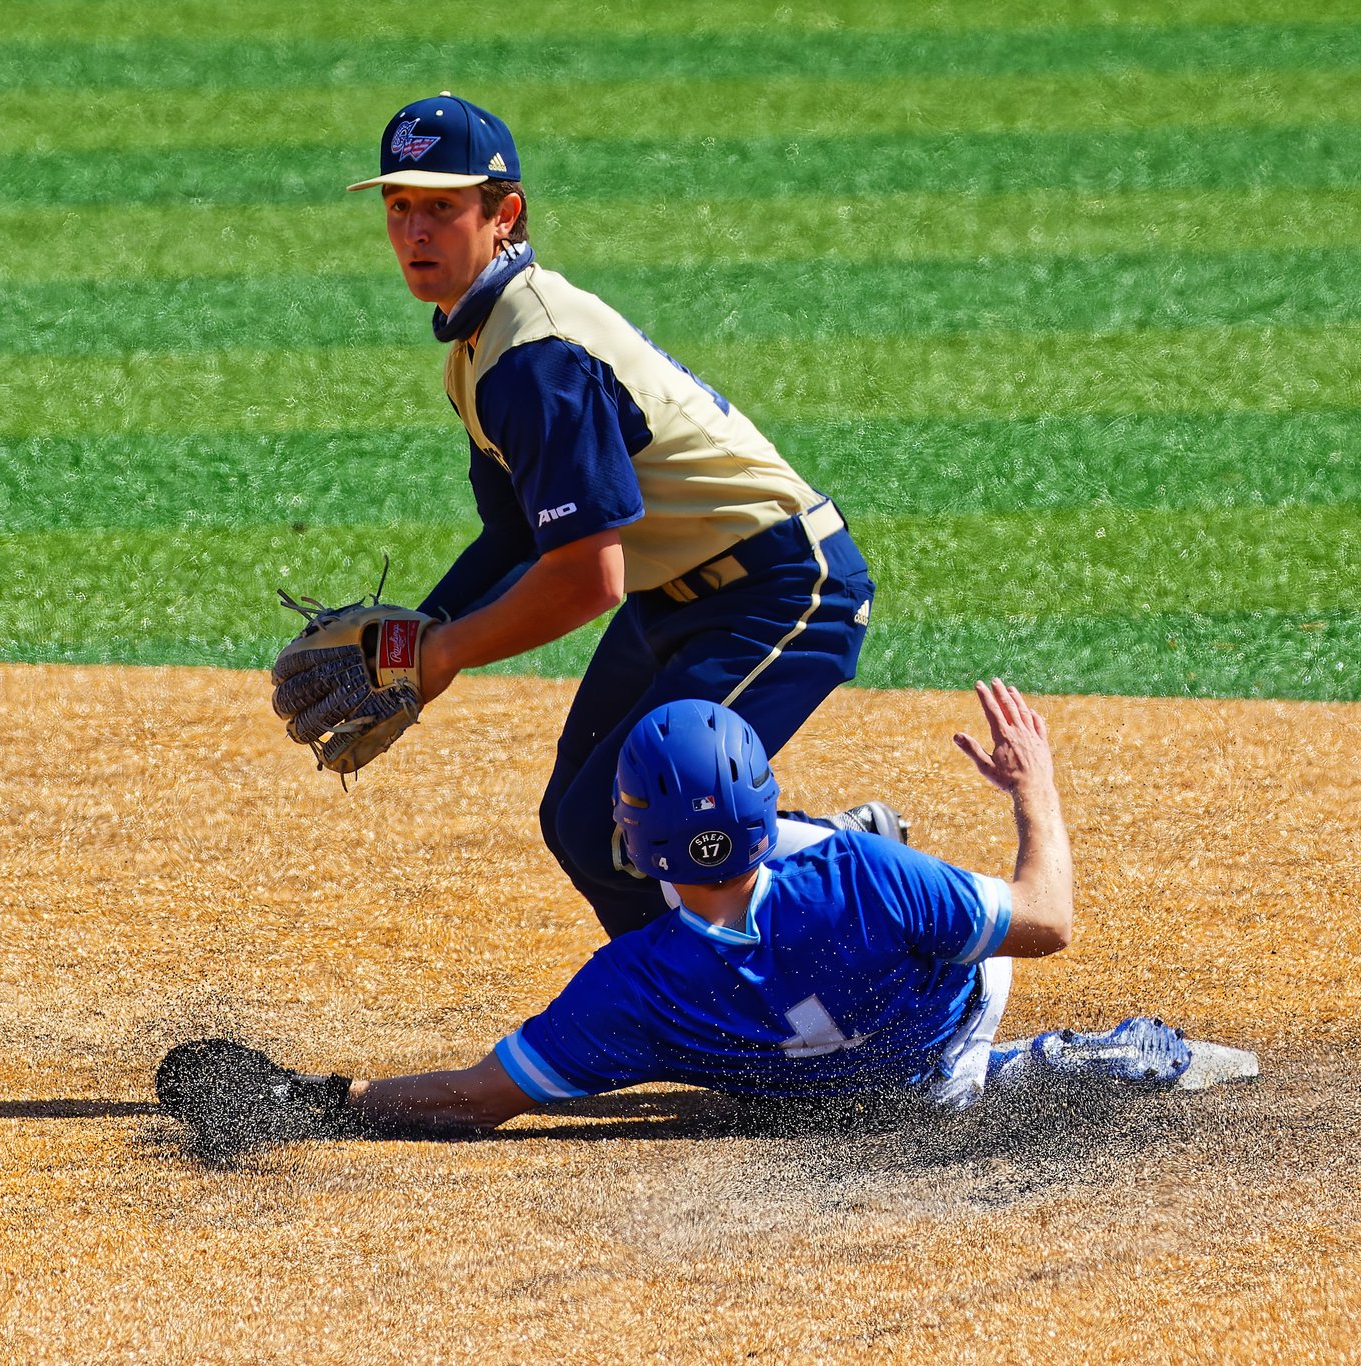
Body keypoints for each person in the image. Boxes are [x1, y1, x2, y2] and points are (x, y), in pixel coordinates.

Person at [156, 682, 1257, 1150]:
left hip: (818, 1096)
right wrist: (1033, 790)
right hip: (941, 1024)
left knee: (876, 1066)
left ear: (634, 843)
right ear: (765, 811)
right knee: (912, 934)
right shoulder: (870, 877)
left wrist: (310, 1102)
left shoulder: (630, 988)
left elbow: (475, 1099)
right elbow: (1048, 920)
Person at [347, 94, 880, 940]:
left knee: (621, 830)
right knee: (578, 821)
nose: (415, 231)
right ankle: (702, 996)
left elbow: (588, 579)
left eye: (442, 208)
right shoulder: (477, 349)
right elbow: (517, 538)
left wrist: (442, 654)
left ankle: (852, 874)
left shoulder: (535, 356)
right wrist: (415, 635)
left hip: (782, 592)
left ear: (503, 215)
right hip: (678, 599)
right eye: (399, 206)